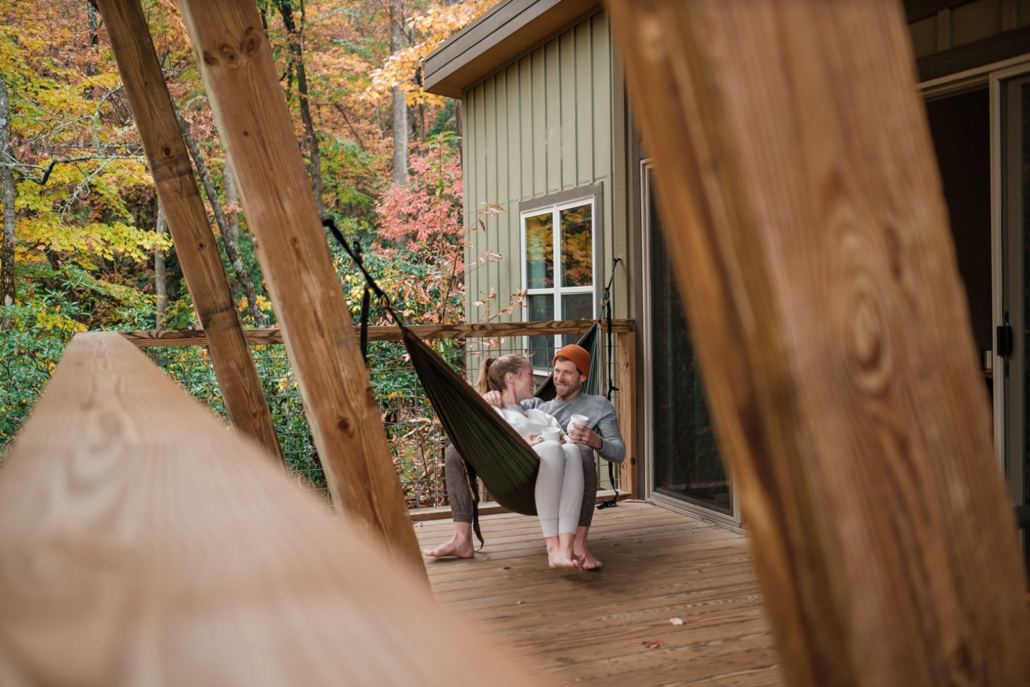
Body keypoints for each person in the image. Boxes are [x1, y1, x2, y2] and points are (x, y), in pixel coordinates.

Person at [424, 344, 626, 570]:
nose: (558, 378)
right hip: (524, 477)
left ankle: (576, 544)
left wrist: (595, 440)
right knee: (455, 450)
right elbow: (498, 418)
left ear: (583, 377)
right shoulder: (536, 405)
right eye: (556, 371)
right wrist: (487, 397)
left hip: (566, 472)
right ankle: (462, 538)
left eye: (567, 373)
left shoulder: (598, 405)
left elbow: (619, 452)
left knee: (580, 450)